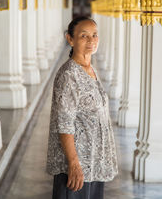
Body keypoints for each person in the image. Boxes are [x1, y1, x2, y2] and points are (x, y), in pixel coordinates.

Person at [46, 16, 118, 199]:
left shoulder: (89, 68)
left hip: (93, 161)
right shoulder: (69, 75)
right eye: (84, 36)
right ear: (70, 39)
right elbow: (64, 123)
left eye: (94, 35)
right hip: (77, 165)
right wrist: (74, 164)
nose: (91, 41)